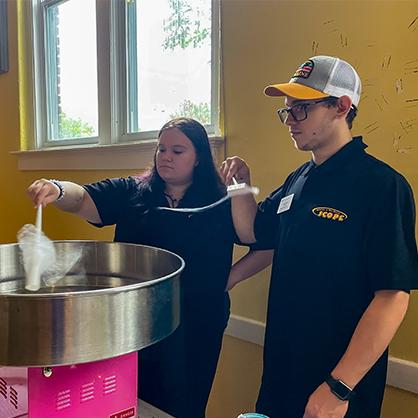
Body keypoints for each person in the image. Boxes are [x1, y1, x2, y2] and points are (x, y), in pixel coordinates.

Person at [27, 117, 266, 418]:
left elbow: (265, 241)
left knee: (185, 405)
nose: (165, 156)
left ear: (199, 158)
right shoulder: (132, 192)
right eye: (161, 149)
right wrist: (58, 189)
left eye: (177, 151)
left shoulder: (222, 201)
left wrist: (230, 278)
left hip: (196, 323)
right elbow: (83, 198)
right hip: (132, 322)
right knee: (128, 401)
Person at [221, 56, 418, 418]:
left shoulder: (381, 186)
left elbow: (392, 297)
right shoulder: (300, 179)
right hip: (282, 372)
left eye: (301, 109)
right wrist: (240, 185)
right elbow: (254, 232)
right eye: (287, 111)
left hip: (335, 389)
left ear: (341, 106)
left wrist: (338, 387)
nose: (290, 121)